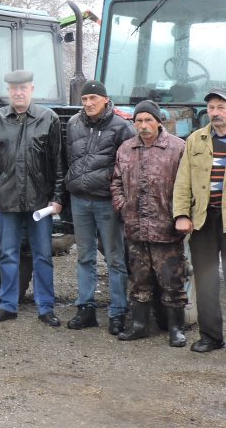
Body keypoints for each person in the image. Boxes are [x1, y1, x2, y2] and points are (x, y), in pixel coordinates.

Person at [0, 69, 65, 326]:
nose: (18, 92)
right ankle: (8, 305)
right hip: (7, 201)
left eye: (23, 88)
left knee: (42, 255)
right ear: (8, 91)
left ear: (31, 90)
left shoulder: (49, 119)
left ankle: (46, 307)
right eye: (14, 88)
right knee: (8, 254)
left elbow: (58, 162)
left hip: (40, 202)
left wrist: (57, 196)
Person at [111, 100, 187, 346]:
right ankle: (139, 325)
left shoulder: (177, 148)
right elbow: (115, 182)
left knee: (172, 281)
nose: (143, 126)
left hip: (167, 229)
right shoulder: (125, 148)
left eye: (148, 121)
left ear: (158, 121)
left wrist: (181, 216)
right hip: (135, 229)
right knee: (139, 280)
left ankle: (176, 328)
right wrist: (122, 206)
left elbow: (188, 187)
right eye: (138, 121)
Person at [64, 80, 136, 335]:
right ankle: (86, 308)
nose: (88, 103)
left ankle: (117, 312)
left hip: (107, 201)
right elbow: (67, 158)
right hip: (79, 200)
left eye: (93, 98)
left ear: (105, 99)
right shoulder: (73, 124)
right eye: (84, 99)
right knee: (84, 256)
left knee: (115, 258)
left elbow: (129, 166)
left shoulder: (122, 127)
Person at [174, 87, 226, 353]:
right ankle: (211, 337)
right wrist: (182, 214)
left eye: (221, 107)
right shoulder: (196, 140)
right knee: (206, 280)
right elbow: (183, 181)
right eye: (212, 108)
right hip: (204, 219)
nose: (215, 113)